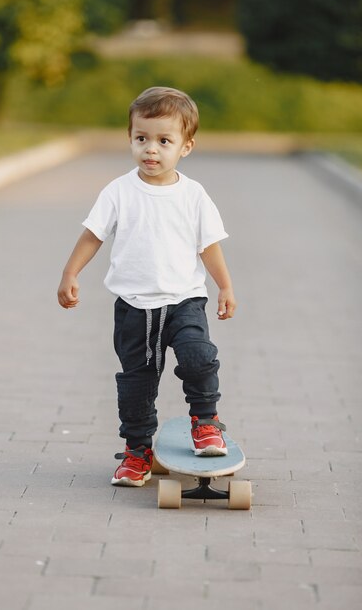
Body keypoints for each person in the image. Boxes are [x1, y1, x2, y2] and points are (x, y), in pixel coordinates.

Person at [57, 86, 237, 487]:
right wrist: (71, 273)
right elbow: (93, 235)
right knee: (137, 383)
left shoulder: (193, 195)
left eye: (163, 141)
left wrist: (224, 287)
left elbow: (208, 246)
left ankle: (205, 422)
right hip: (134, 307)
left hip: (185, 301)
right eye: (142, 139)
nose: (150, 149)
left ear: (185, 147)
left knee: (198, 356)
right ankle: (138, 451)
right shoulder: (119, 191)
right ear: (130, 139)